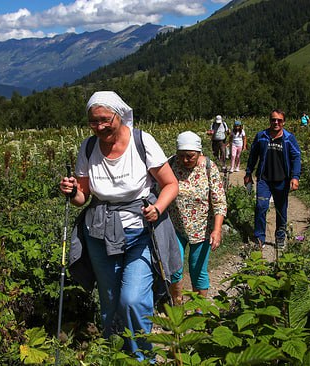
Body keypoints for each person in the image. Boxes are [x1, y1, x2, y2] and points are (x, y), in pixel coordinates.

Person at [59, 91, 181, 360]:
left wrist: (158, 208)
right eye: (93, 122)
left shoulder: (142, 141)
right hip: (99, 235)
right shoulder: (88, 148)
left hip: (140, 233)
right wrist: (71, 191)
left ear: (119, 115)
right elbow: (83, 197)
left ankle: (142, 357)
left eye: (105, 120)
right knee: (110, 303)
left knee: (132, 299)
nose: (100, 127)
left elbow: (170, 184)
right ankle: (114, 353)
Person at [167, 131, 227, 305]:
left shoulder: (209, 167)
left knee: (198, 269)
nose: (185, 160)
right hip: (175, 226)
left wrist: (217, 229)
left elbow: (219, 201)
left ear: (199, 153)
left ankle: (200, 310)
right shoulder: (171, 164)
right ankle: (177, 305)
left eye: (190, 156)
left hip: (201, 229)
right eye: (181, 156)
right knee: (175, 269)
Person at [243, 109, 301, 250]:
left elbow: (296, 157)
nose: (276, 122)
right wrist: (248, 172)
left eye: (279, 120)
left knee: (281, 210)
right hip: (264, 180)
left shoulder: (288, 138)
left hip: (282, 180)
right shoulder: (261, 136)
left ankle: (280, 238)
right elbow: (253, 155)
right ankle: (259, 238)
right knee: (261, 207)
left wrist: (295, 177)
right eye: (273, 120)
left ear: (283, 122)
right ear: (269, 121)